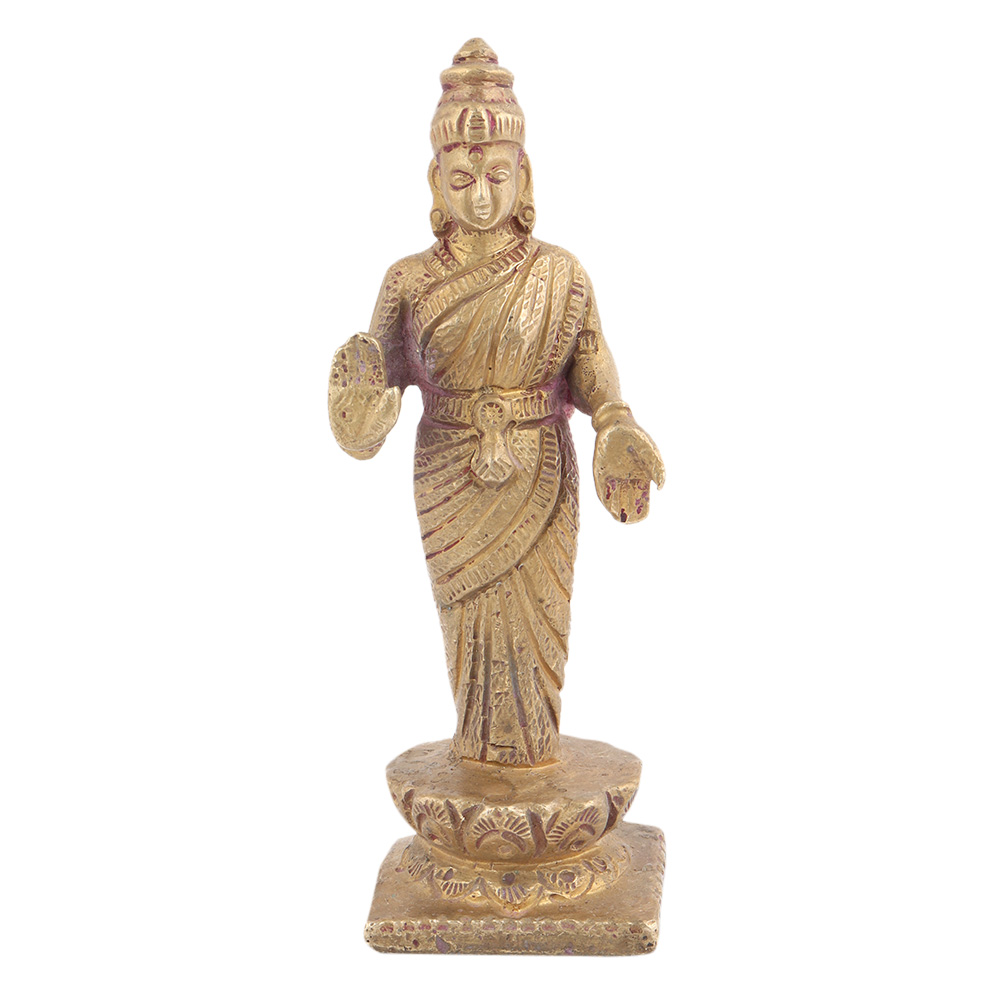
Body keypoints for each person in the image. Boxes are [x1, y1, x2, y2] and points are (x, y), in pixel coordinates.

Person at [329, 40, 664, 767]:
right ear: (436, 181)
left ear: (525, 175)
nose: (480, 197)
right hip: (449, 472)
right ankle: (481, 763)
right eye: (462, 178)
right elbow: (371, 379)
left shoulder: (561, 273)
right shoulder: (408, 281)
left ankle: (532, 763)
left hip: (539, 464)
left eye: (497, 176)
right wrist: (357, 422)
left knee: (540, 630)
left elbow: (590, 359)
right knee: (468, 631)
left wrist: (614, 422)